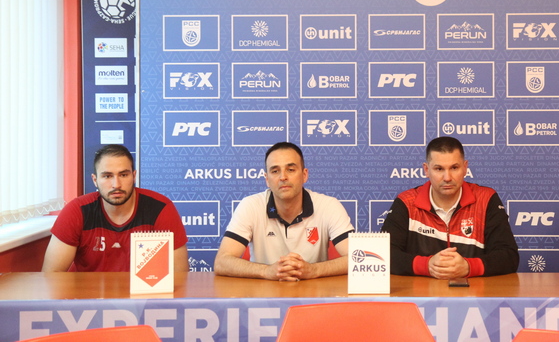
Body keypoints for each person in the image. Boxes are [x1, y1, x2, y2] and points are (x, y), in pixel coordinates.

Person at [381, 136, 519, 279]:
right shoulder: (406, 202)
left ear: (465, 168)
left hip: (474, 292)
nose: (447, 177)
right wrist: (427, 266)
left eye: (454, 168)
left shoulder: (486, 199)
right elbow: (384, 253)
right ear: (426, 170)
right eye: (439, 169)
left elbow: (509, 256)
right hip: (420, 291)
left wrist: (468, 267)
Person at [214, 141, 353, 281]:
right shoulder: (250, 205)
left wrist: (314, 270)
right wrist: (267, 271)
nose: (283, 177)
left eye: (290, 170)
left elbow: (358, 258)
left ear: (304, 175)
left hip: (314, 290)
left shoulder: (328, 205)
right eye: (275, 171)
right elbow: (222, 262)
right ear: (267, 179)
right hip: (263, 292)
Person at [42, 144, 189, 272]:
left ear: (134, 176)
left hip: (143, 294)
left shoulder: (160, 208)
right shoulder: (77, 211)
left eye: (123, 175)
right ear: (95, 180)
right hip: (87, 295)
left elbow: (180, 274)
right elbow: (51, 274)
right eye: (107, 176)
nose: (116, 184)